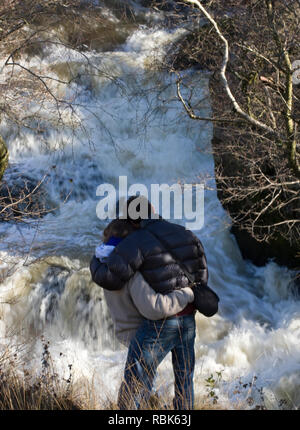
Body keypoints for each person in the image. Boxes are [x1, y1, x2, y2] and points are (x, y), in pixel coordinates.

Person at [90, 196, 209, 409]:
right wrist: (186, 295)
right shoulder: (186, 233)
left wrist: (97, 258)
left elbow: (111, 276)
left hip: (160, 322)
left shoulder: (136, 241)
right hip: (188, 317)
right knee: (184, 384)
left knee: (134, 391)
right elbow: (201, 274)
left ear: (131, 219)